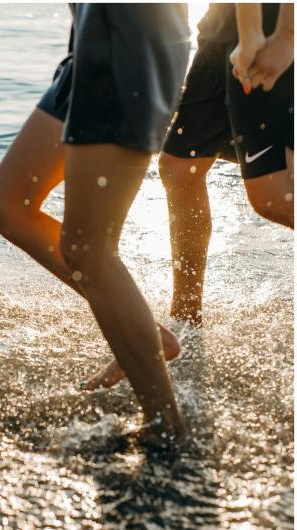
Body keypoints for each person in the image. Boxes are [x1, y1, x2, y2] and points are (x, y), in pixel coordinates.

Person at [0, 4, 190, 443]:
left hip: (129, 45)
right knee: (6, 205)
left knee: (89, 250)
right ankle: (147, 336)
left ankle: (165, 426)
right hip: (89, 50)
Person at [85, 2, 294, 390]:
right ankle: (186, 318)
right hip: (223, 25)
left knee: (273, 197)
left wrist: (281, 37)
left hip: (265, 25)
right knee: (181, 167)